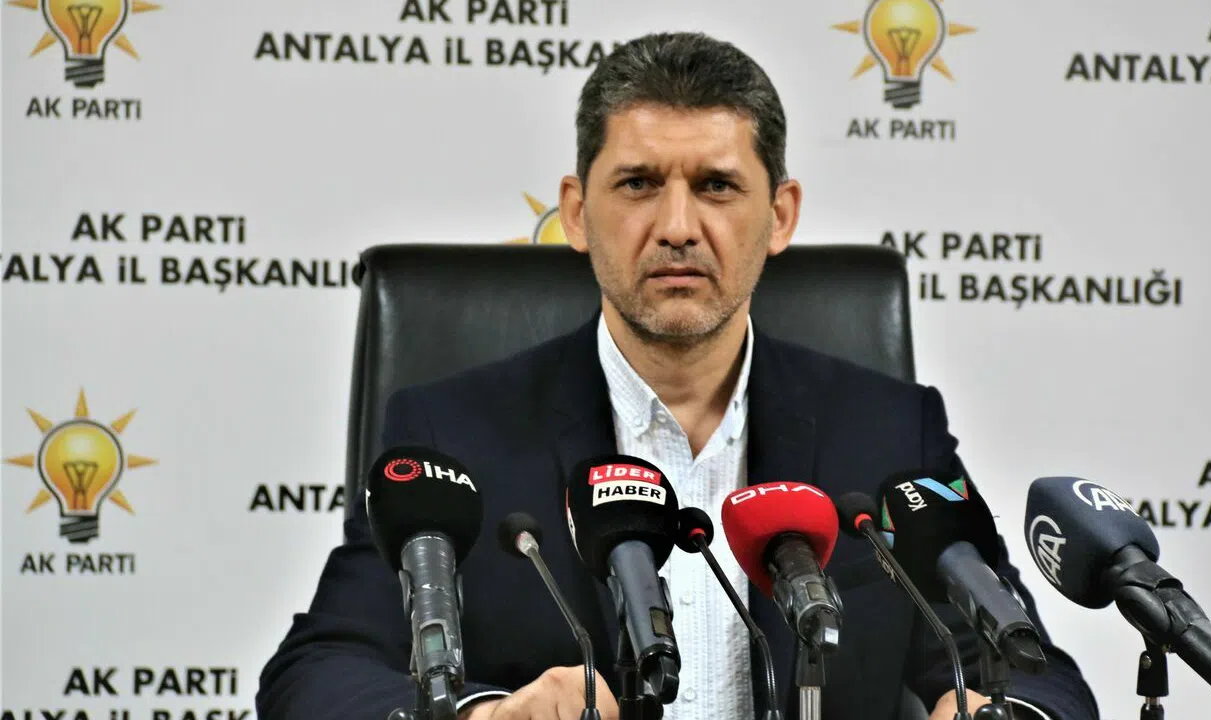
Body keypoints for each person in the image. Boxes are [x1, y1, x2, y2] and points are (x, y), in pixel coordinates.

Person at [257, 31, 1100, 720]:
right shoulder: (454, 433)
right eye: (638, 183)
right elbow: (318, 672)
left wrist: (997, 711)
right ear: (577, 212)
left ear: (780, 215)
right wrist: (482, 716)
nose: (677, 226)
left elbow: (1036, 673)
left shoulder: (887, 434)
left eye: (717, 186)